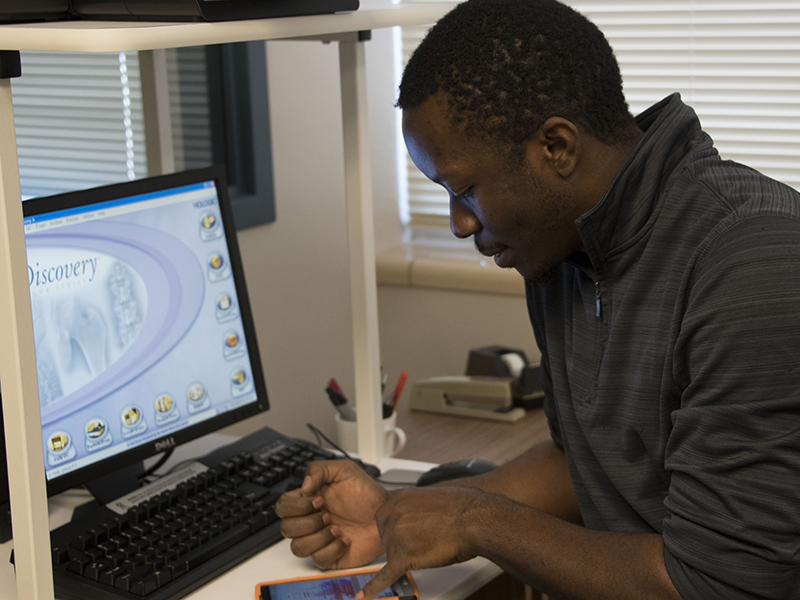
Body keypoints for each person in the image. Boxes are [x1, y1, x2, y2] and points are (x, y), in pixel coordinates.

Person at [276, 0, 800, 598]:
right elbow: (584, 464)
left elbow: (718, 585)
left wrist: (474, 520)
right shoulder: (565, 247)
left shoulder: (754, 265)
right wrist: (398, 516)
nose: (458, 225)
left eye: (465, 191)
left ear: (556, 147)